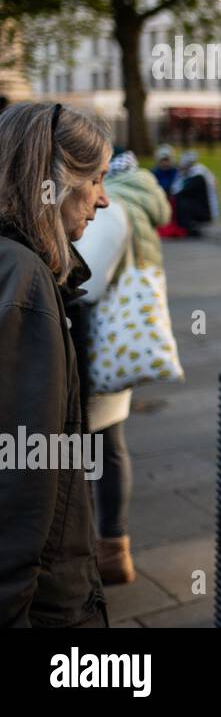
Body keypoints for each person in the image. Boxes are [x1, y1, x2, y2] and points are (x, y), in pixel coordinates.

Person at [0, 101, 111, 627]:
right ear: (57, 180)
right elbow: (24, 473)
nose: (104, 199)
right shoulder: (24, 281)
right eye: (98, 180)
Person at [69, 149, 173, 586]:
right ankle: (111, 548)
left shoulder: (115, 211)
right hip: (119, 343)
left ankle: (108, 550)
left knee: (100, 450)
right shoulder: (143, 205)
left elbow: (86, 285)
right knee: (107, 446)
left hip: (98, 346)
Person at [167, 149, 218, 237]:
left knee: (182, 203)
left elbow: (181, 192)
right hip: (196, 208)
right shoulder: (186, 174)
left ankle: (187, 229)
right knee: (180, 202)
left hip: (205, 212)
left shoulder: (198, 175)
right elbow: (174, 190)